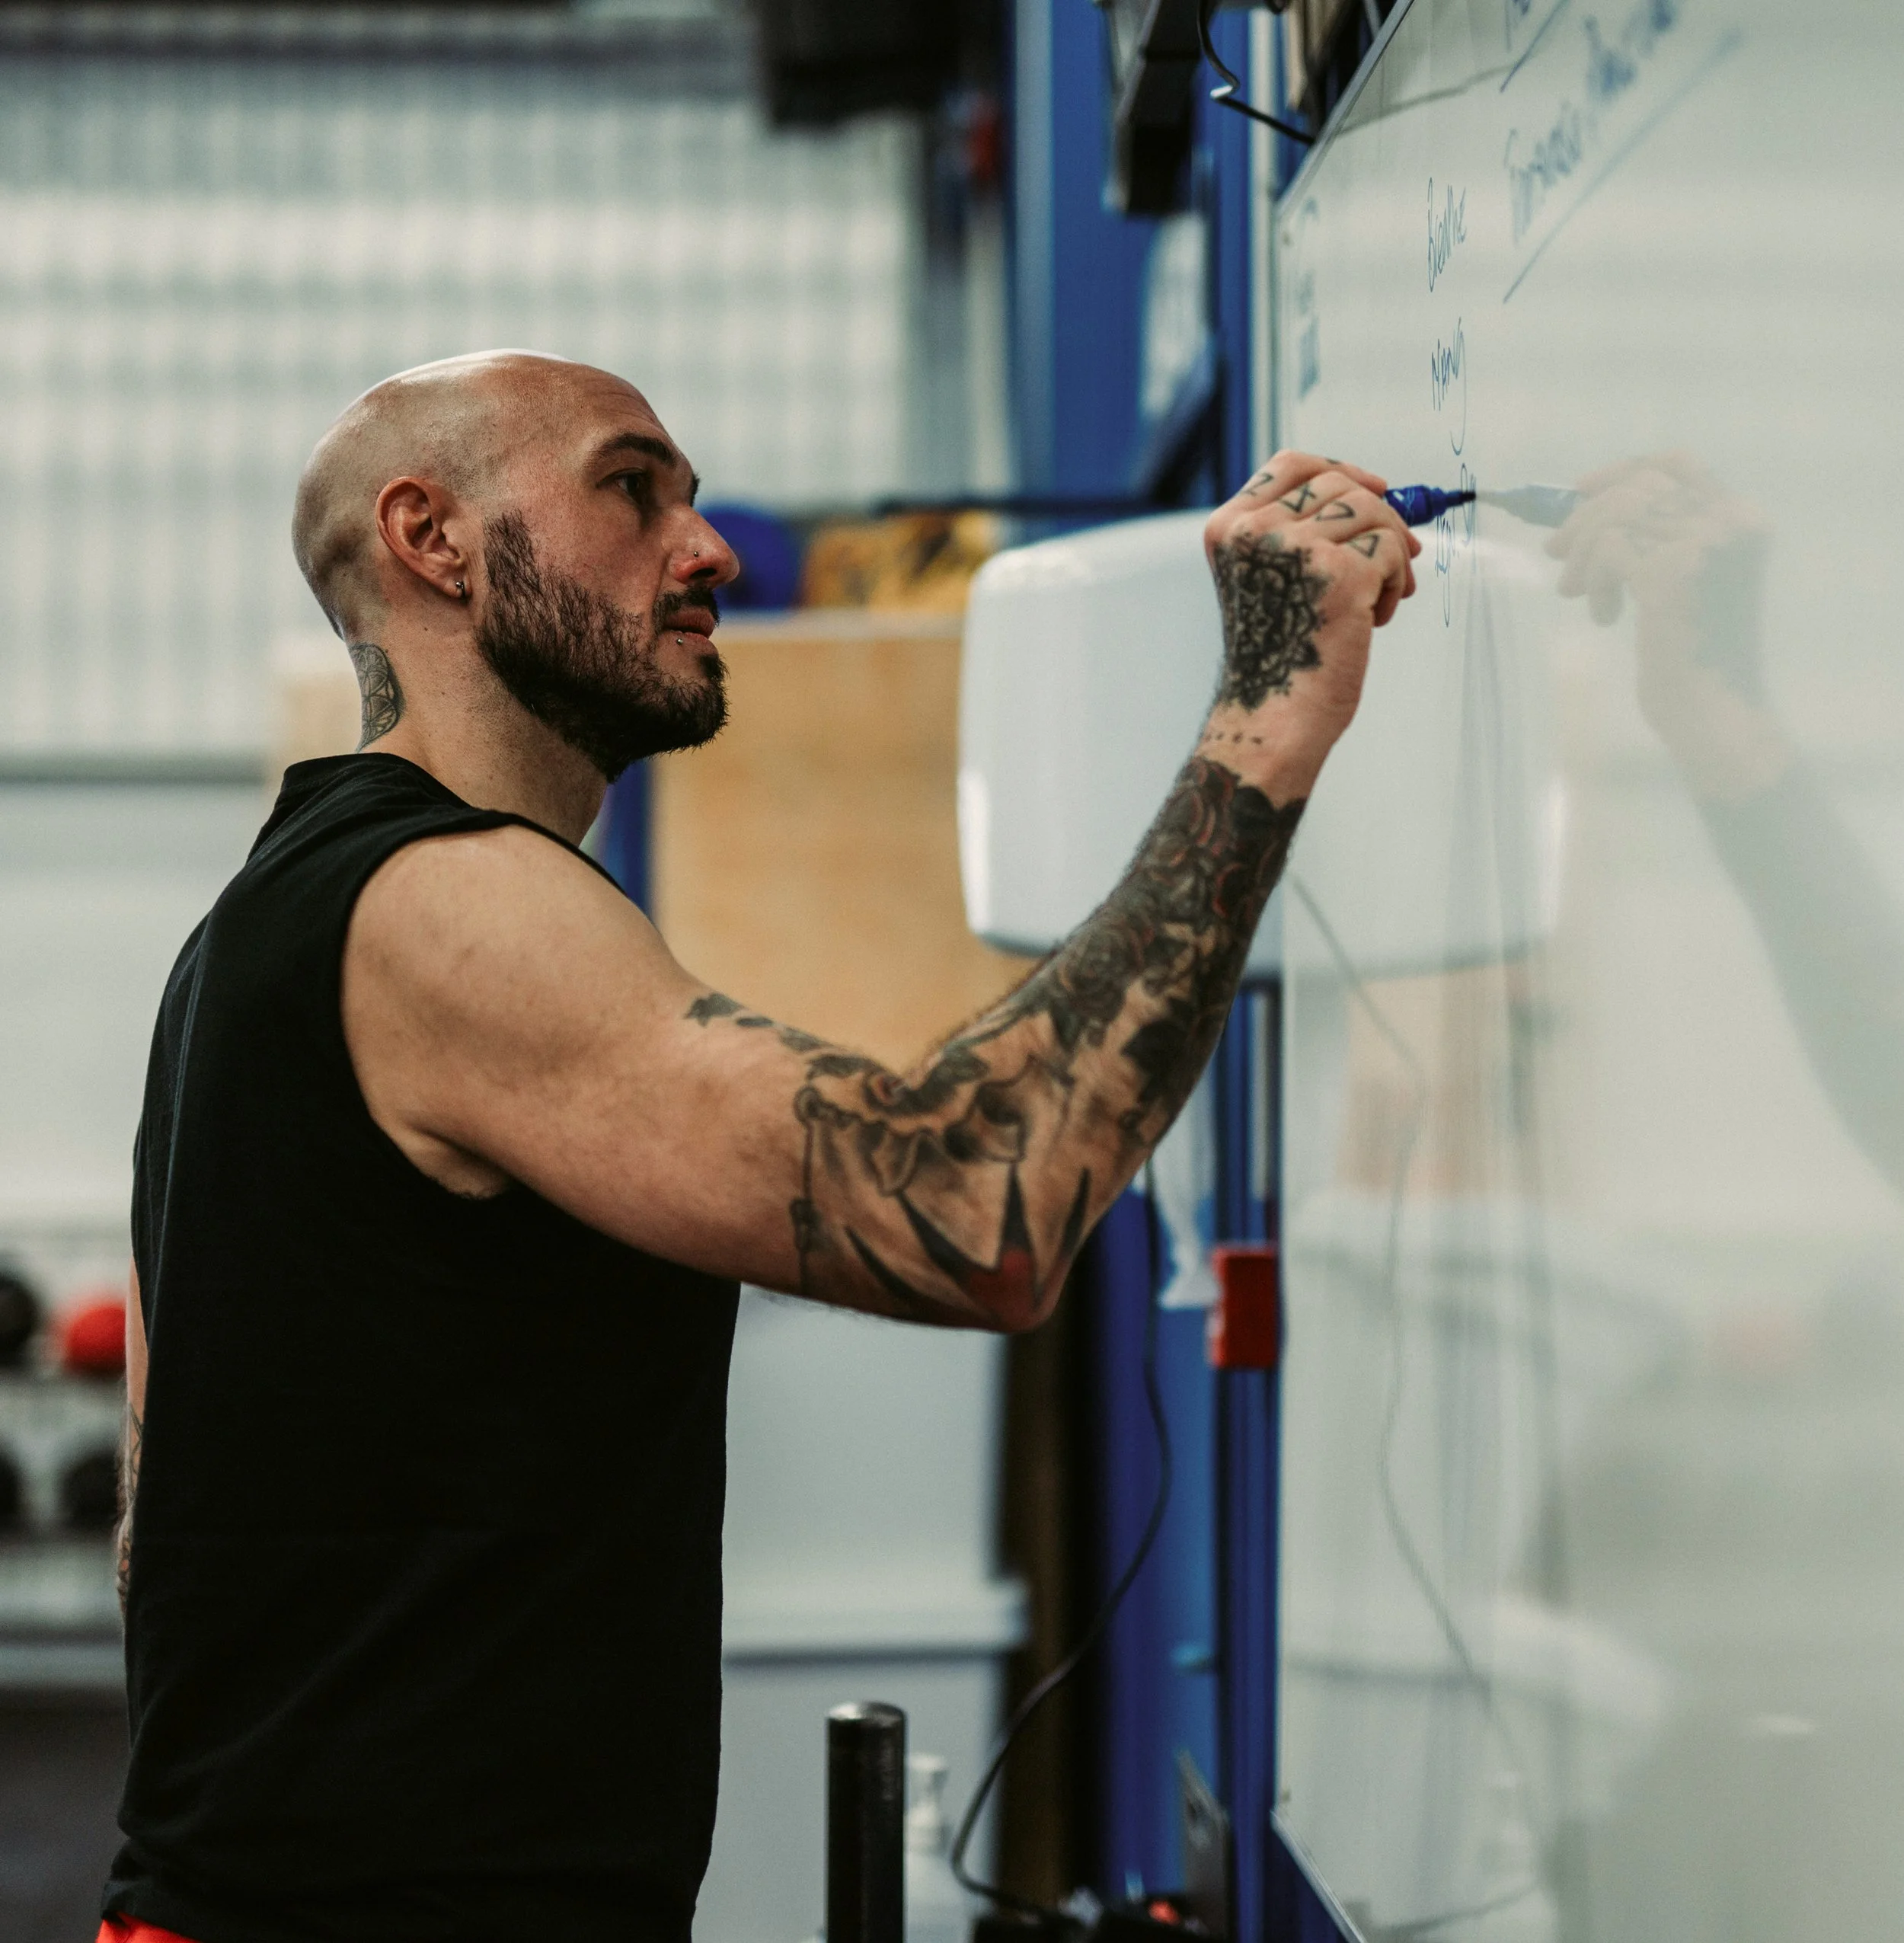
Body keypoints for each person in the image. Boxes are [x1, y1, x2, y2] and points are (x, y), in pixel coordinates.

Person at [100, 350, 1420, 1943]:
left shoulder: (266, 924)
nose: (708, 548)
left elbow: (150, 1522)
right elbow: (967, 1205)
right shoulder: (449, 905)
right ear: (428, 539)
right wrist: (1269, 709)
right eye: (631, 488)